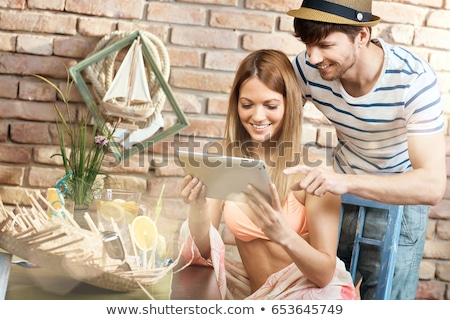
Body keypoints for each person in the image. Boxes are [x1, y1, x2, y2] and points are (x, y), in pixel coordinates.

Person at [285, 0, 446, 300]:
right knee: (325, 298)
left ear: (361, 36)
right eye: (307, 44)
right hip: (337, 199)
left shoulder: (414, 80)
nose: (312, 56)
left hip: (399, 203)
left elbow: (433, 185)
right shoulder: (307, 68)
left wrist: (345, 181)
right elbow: (270, 114)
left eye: (324, 44)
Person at [178, 49, 357, 300]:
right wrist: (197, 208)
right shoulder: (224, 157)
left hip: (308, 295)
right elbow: (204, 254)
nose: (257, 116)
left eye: (271, 105)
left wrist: (284, 234)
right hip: (259, 296)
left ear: (289, 104)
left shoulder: (313, 170)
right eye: (247, 105)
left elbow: (324, 274)